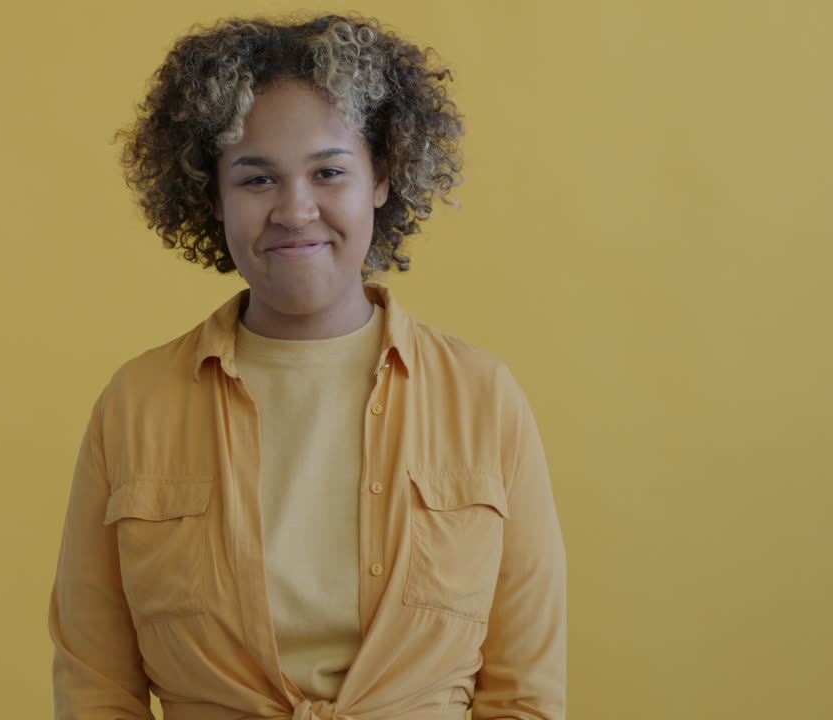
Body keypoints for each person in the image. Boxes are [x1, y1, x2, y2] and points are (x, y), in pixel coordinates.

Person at [47, 13, 566, 720]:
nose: (295, 210)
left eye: (328, 171)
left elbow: (524, 692)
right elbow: (95, 685)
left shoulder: (483, 399)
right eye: (257, 178)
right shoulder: (134, 405)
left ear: (381, 178)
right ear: (213, 195)